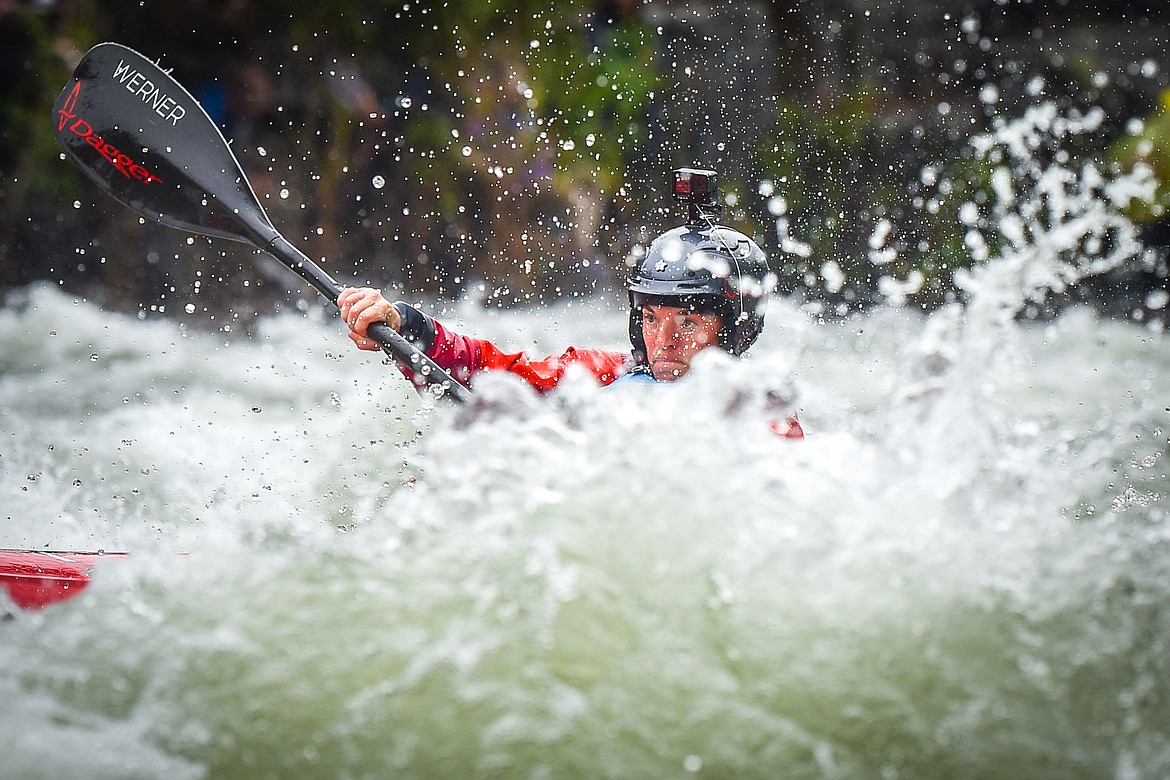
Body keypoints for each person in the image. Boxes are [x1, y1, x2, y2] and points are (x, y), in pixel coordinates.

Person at [337, 168, 804, 438]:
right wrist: (405, 325)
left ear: (736, 328)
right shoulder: (601, 375)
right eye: (650, 317)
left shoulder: (762, 414)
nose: (662, 340)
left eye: (685, 320)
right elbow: (493, 371)